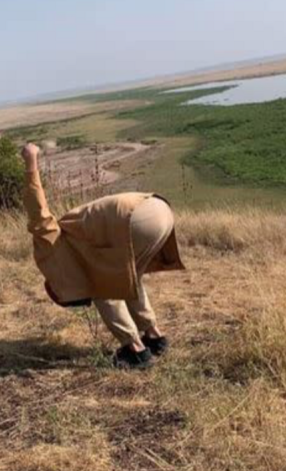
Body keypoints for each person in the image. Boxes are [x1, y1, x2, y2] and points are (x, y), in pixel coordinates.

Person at [20, 143, 185, 369]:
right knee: (128, 279)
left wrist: (31, 163)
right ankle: (154, 336)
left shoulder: (52, 242)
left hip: (134, 220)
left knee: (104, 289)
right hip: (159, 208)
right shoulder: (78, 245)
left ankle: (135, 350)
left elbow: (37, 209)